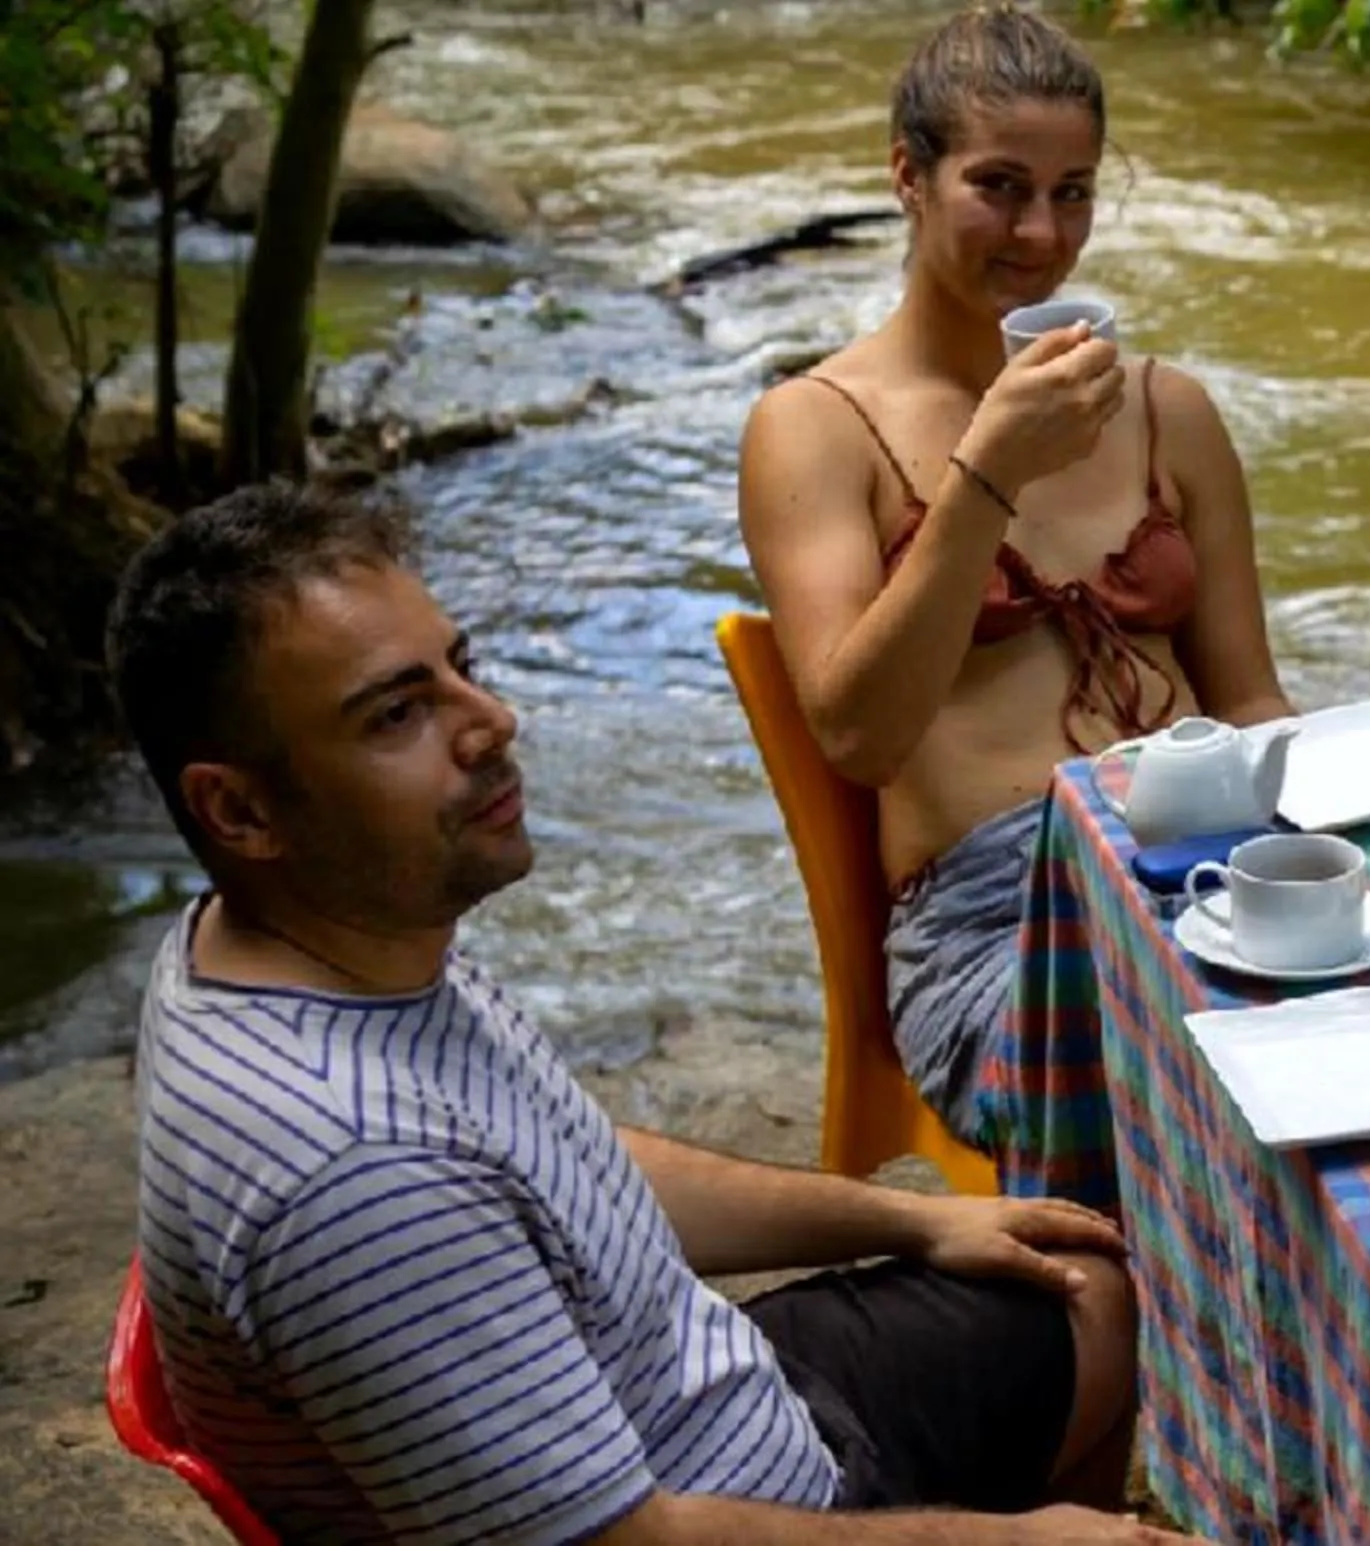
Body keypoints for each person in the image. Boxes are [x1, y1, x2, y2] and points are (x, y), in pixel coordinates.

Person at [109, 481, 1199, 1545]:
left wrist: (918, 1218)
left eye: (461, 668)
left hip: (702, 1395)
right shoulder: (359, 1176)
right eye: (398, 712)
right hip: (690, 1501)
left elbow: (567, 1164)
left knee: (1084, 1284)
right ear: (239, 809)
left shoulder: (303, 940)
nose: (490, 721)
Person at [736, 5, 1296, 1154]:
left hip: (1204, 870)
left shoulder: (1165, 409)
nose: (1042, 233)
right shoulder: (813, 428)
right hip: (996, 928)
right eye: (999, 186)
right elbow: (858, 736)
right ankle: (1148, 1328)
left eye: (1075, 191)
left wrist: (1329, 840)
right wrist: (987, 471)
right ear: (909, 176)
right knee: (1200, 1044)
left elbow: (1248, 701)